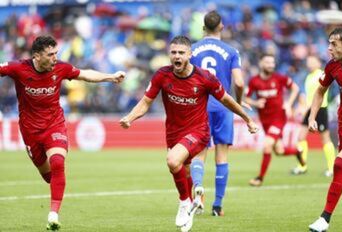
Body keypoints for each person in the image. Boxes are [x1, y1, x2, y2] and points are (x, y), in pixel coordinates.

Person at [119, 35, 258, 232]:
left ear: (190, 55)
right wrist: (130, 118)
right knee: (182, 172)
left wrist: (248, 119)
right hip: (174, 133)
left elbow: (227, 100)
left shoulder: (205, 78)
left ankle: (184, 202)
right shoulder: (162, 75)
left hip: (198, 131)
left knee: (172, 160)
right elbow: (145, 103)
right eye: (173, 52)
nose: (177, 56)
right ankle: (192, 204)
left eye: (181, 53)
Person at [0, 35, 125, 231]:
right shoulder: (18, 68)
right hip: (30, 131)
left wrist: (110, 77)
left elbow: (85, 74)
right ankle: (55, 193)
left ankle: (53, 215)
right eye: (50, 55)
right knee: (49, 177)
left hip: (54, 125)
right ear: (37, 56)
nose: (55, 58)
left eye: (56, 53)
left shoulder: (61, 68)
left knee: (58, 162)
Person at [189, 10, 244, 216]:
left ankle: (198, 192)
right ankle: (218, 205)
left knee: (198, 154)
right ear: (221, 26)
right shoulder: (231, 51)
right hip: (223, 105)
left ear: (203, 28)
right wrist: (237, 103)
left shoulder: (192, 50)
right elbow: (239, 82)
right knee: (222, 156)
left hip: (199, 106)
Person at [308, 27, 342, 232]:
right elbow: (320, 91)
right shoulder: (333, 66)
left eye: (333, 43)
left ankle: (324, 219)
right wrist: (312, 116)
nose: (329, 48)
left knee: (340, 164)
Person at [246, 53, 305, 187]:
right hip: (265, 120)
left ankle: (259, 178)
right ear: (261, 63)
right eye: (267, 62)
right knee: (279, 151)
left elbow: (295, 88)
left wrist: (289, 103)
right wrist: (255, 103)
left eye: (272, 63)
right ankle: (297, 151)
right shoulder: (254, 81)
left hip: (279, 117)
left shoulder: (279, 78)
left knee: (267, 145)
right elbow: (247, 98)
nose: (271, 65)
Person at [292, 55, 335, 177]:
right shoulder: (308, 77)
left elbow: (318, 95)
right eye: (308, 61)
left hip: (320, 109)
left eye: (312, 61)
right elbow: (306, 95)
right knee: (300, 137)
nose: (309, 63)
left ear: (318, 62)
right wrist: (301, 106)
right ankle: (302, 166)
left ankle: (331, 168)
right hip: (309, 109)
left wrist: (304, 108)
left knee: (325, 139)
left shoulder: (321, 74)